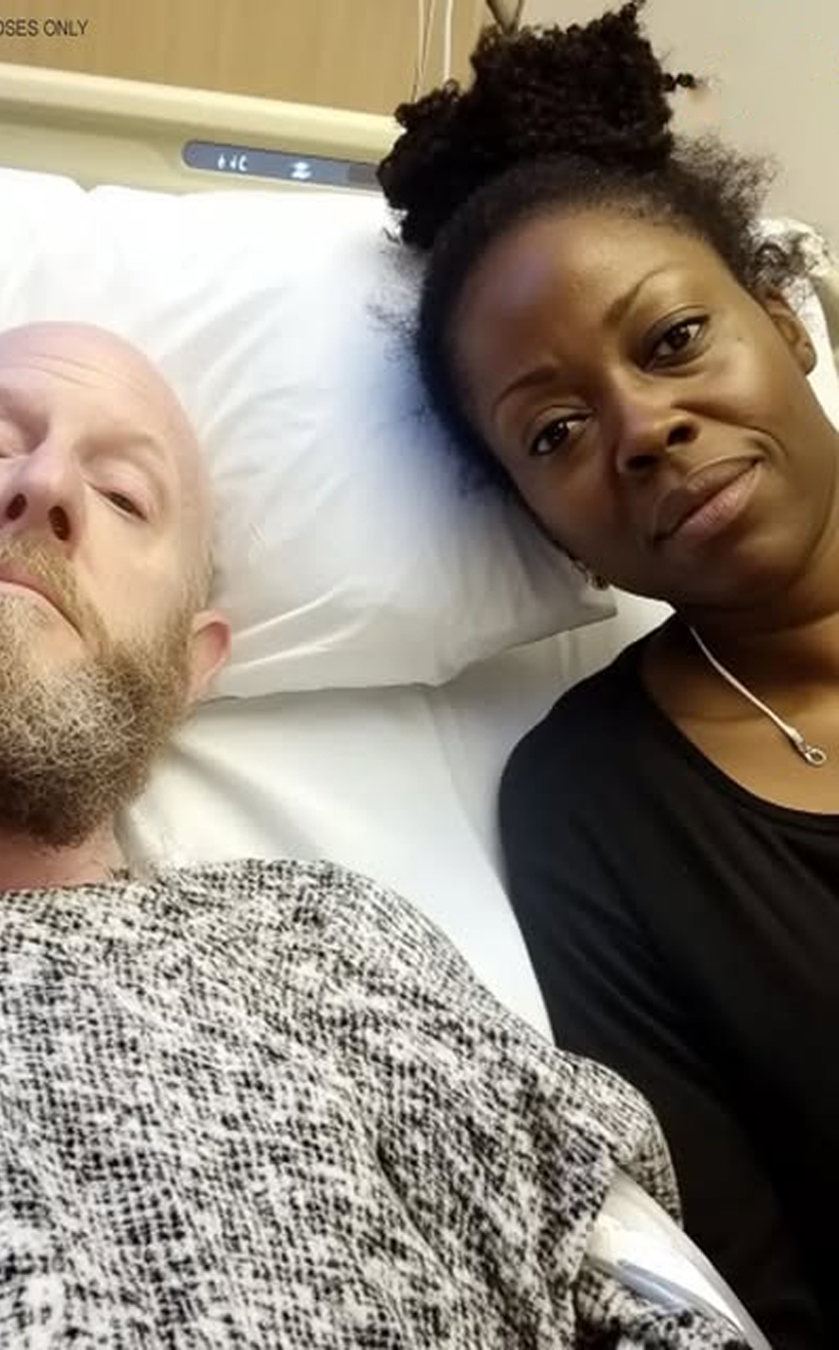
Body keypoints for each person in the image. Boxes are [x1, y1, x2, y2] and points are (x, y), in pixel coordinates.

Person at [0, 320, 756, 1349]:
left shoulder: (323, 947)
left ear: (189, 668)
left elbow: (656, 1303)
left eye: (125, 496)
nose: (44, 485)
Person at [377, 3, 838, 1347]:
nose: (642, 428)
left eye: (675, 338)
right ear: (545, 525)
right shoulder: (596, 813)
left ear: (784, 322)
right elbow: (750, 1294)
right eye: (556, 431)